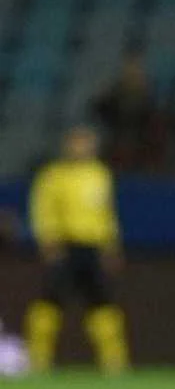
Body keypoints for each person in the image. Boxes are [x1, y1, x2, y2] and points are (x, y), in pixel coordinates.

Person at [23, 125, 129, 374]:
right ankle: (38, 359)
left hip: (93, 247)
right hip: (65, 245)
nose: (82, 148)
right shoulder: (54, 175)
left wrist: (111, 246)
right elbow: (43, 209)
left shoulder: (100, 174)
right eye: (77, 143)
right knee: (50, 300)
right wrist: (48, 240)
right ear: (67, 146)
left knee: (102, 302)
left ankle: (114, 362)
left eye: (86, 143)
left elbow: (107, 214)